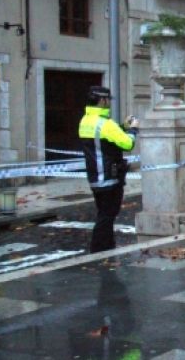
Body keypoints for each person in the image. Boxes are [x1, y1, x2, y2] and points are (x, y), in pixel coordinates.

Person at [78, 86, 139, 253]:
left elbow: (105, 138)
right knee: (108, 215)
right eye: (107, 100)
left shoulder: (86, 121)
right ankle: (98, 249)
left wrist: (122, 127)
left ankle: (107, 247)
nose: (109, 104)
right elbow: (127, 143)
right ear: (102, 100)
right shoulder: (106, 124)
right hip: (109, 176)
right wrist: (133, 129)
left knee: (104, 213)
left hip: (95, 176)